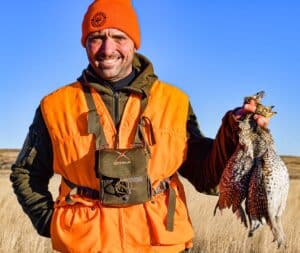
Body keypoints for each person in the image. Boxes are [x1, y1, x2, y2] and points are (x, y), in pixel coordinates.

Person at [10, 1, 270, 253]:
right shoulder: (55, 106)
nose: (107, 48)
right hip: (85, 246)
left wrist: (237, 132)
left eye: (118, 37)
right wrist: (51, 224)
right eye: (96, 38)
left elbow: (206, 177)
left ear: (134, 41)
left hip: (161, 245)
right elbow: (26, 173)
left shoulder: (174, 102)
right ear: (85, 44)